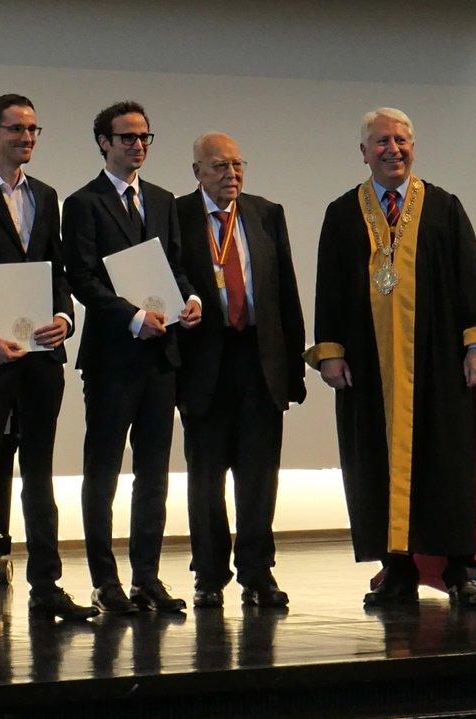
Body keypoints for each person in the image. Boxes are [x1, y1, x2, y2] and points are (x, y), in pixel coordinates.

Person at [305, 107, 476, 609]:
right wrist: (330, 352)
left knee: (446, 463)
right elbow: (329, 287)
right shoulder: (342, 213)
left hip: (437, 362)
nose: (392, 149)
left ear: (413, 147)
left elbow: (471, 277)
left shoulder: (444, 207)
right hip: (368, 364)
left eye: (400, 140)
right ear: (363, 152)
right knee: (373, 464)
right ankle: (396, 571)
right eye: (381, 141)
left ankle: (461, 571)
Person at [0, 93, 96, 627]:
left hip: (42, 355)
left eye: (32, 129)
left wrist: (64, 317)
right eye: (15, 129)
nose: (26, 137)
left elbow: (57, 270)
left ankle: (46, 585)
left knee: (40, 472)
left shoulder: (45, 195)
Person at [61, 101, 201, 615]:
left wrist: (191, 299)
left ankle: (147, 577)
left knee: (154, 474)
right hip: (112, 356)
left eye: (144, 137)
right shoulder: (84, 203)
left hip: (161, 355)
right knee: (102, 472)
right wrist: (131, 316)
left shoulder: (161, 200)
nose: (138, 145)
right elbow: (81, 277)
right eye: (127, 137)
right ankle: (105, 580)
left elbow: (176, 266)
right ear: (104, 142)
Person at [175, 132, 306, 609]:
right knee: (205, 476)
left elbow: (285, 291)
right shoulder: (176, 215)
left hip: (259, 358)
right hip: (204, 360)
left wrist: (294, 369)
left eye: (237, 165)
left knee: (259, 475)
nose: (230, 174)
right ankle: (209, 575)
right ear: (197, 172)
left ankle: (257, 572)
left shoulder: (266, 213)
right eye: (218, 166)